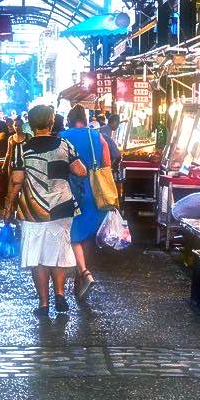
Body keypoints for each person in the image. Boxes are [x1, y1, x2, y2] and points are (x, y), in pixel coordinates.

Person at [4, 104, 88, 316]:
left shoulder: (23, 149)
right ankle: (60, 293)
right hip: (61, 206)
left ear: (30, 124)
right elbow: (81, 171)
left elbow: (16, 181)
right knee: (57, 251)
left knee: (38, 256)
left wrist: (8, 207)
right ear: (52, 122)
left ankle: (43, 304)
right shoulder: (64, 145)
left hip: (33, 210)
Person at [61, 105, 114, 301]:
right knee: (87, 236)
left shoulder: (62, 136)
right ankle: (78, 279)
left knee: (73, 235)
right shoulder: (97, 136)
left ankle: (83, 273)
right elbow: (107, 162)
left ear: (69, 119)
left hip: (71, 190)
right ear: (85, 118)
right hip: (94, 192)